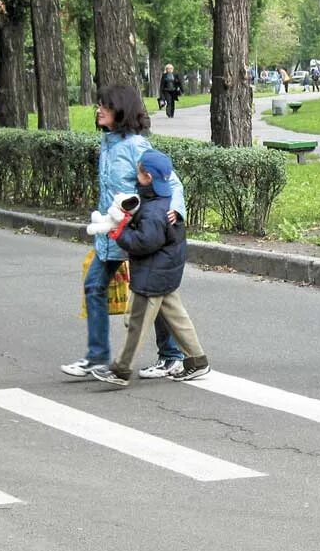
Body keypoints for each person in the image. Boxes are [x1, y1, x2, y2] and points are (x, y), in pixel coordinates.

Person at [61, 85, 187, 380]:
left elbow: (173, 182)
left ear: (121, 110)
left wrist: (176, 210)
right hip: (113, 234)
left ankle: (172, 357)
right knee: (94, 286)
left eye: (105, 106)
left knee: (154, 295)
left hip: (140, 235)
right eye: (99, 105)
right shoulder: (107, 143)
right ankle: (97, 357)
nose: (99, 110)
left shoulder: (136, 146)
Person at [91, 152, 210, 386]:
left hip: (150, 276)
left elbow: (145, 242)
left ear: (147, 177)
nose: (136, 176)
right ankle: (197, 361)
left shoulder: (154, 211)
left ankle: (120, 370)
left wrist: (120, 233)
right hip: (165, 272)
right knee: (177, 319)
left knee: (136, 322)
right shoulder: (163, 202)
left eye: (138, 172)